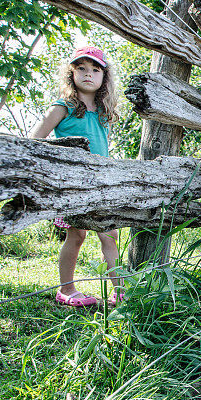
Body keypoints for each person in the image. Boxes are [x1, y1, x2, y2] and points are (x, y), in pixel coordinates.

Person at [30, 45, 122, 307]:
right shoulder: (63, 107)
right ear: (71, 73)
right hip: (72, 183)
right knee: (77, 235)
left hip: (100, 182)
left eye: (95, 69)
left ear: (104, 78)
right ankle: (67, 289)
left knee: (110, 233)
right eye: (81, 68)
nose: (88, 74)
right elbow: (35, 140)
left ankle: (120, 289)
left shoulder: (104, 111)